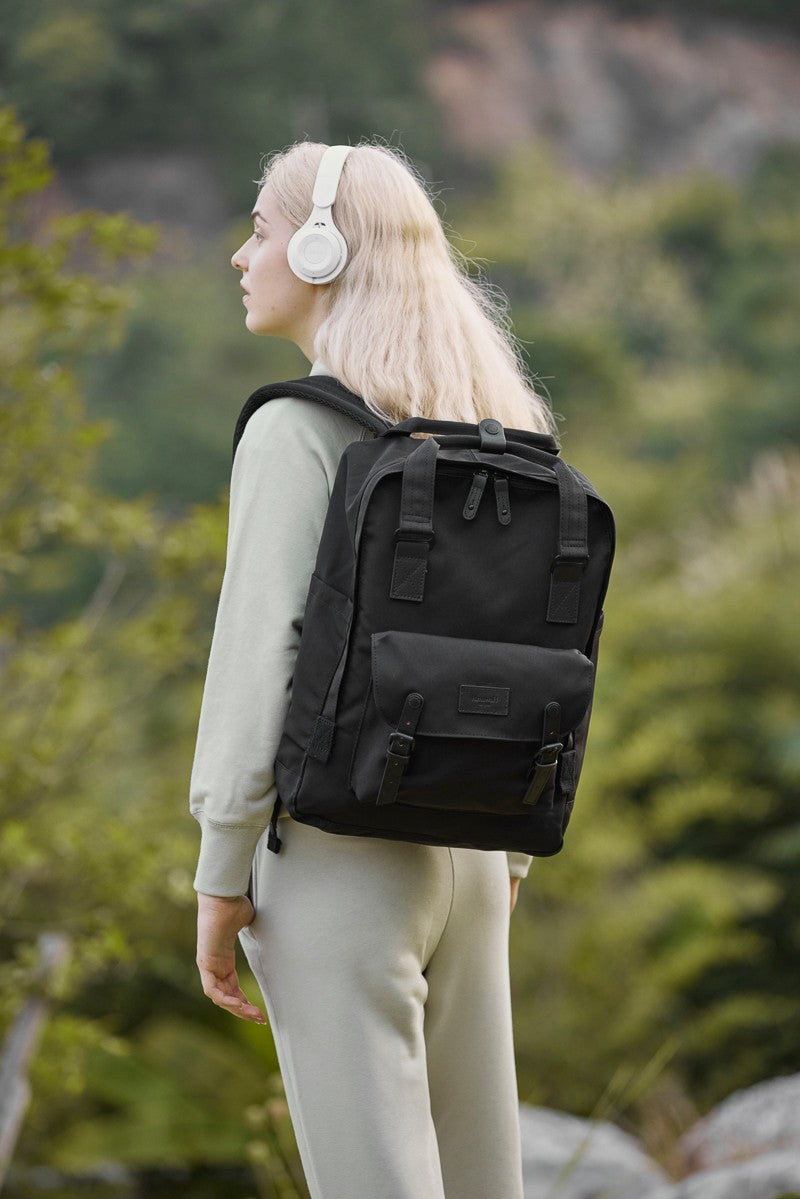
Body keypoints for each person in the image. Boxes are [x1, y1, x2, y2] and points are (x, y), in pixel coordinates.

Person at [190, 140, 558, 1199]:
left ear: (317, 248)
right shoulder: (498, 430)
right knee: (480, 1179)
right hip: (478, 855)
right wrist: (510, 859)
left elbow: (262, 649)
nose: (237, 255)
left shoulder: (298, 427)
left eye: (259, 230)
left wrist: (221, 866)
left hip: (339, 854)